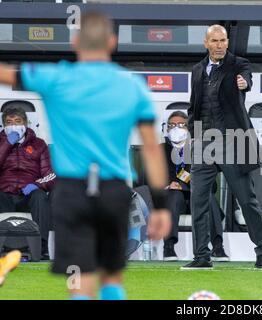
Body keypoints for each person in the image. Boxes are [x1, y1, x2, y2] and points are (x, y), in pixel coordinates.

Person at [0, 11, 171, 300]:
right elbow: (153, 150)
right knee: (111, 277)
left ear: (76, 41)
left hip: (72, 192)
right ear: (113, 42)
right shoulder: (132, 87)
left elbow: (6, 74)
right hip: (114, 192)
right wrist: (161, 206)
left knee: (79, 281)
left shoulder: (55, 78)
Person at [183, 25, 262, 270]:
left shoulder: (239, 65)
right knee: (198, 202)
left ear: (227, 42)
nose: (220, 45)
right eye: (215, 40)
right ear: (206, 43)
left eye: (223, 40)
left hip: (233, 140)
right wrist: (194, 132)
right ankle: (202, 256)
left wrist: (244, 83)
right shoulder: (197, 70)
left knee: (246, 199)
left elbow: (246, 81)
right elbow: (194, 106)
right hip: (203, 143)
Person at [163, 111, 229, 262]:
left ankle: (218, 247)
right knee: (174, 195)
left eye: (181, 125)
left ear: (189, 128)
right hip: (172, 198)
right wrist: (168, 184)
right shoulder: (161, 150)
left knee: (207, 196)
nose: (176, 129)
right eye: (172, 125)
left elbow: (211, 185)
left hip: (197, 197)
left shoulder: (200, 150)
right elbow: (152, 176)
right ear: (166, 130)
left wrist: (185, 185)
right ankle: (169, 247)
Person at [0, 106, 55, 259]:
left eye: (18, 121)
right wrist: (6, 144)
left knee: (40, 197)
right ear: (4, 126)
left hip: (28, 195)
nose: (14, 125)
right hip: (4, 194)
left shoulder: (39, 144)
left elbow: (50, 175)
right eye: (9, 122)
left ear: (26, 124)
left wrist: (37, 185)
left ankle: (42, 248)